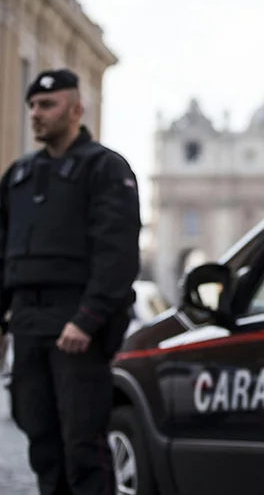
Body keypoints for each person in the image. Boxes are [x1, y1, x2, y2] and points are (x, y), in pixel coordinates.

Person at [0, 68, 142, 495]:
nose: (35, 114)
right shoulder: (19, 175)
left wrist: (88, 318)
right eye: (32, 106)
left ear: (76, 110)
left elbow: (117, 253)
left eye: (47, 105)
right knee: (42, 442)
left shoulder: (105, 168)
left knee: (83, 448)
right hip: (28, 322)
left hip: (76, 326)